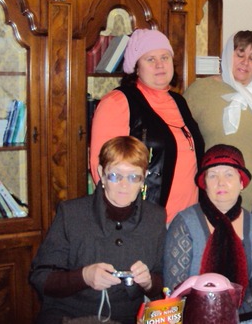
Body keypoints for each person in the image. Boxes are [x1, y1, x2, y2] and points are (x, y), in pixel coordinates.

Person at [30, 136, 166, 324]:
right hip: (69, 315)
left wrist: (149, 282)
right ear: (101, 173)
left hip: (128, 318)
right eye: (115, 176)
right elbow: (40, 278)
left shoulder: (155, 217)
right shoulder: (71, 213)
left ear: (144, 178)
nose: (124, 185)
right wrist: (83, 277)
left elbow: (163, 283)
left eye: (134, 177)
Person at [90, 29, 205, 224]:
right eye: (150, 59)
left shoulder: (179, 101)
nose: (160, 64)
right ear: (136, 67)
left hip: (188, 220)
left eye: (165, 57)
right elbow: (100, 169)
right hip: (145, 221)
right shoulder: (117, 103)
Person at [184, 30, 252, 211]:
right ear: (226, 55)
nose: (245, 62)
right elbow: (183, 142)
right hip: (215, 194)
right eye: (240, 54)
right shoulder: (200, 90)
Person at [163, 144, 252, 313]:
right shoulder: (184, 223)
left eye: (229, 174)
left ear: (241, 182)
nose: (221, 182)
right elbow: (174, 288)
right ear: (204, 184)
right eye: (212, 175)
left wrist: (234, 317)